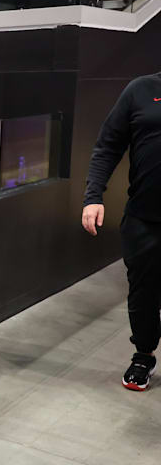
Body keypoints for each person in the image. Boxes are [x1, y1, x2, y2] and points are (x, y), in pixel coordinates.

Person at [82, 72, 161, 391]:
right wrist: (93, 197)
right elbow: (108, 146)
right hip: (144, 216)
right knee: (143, 294)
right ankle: (144, 355)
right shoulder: (141, 90)